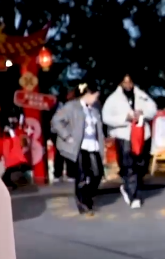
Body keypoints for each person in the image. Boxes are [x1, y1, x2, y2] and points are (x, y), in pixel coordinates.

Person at [102, 75, 157, 209]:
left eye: (130, 81)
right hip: (124, 136)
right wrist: (125, 118)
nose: (128, 84)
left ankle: (128, 187)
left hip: (142, 135)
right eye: (124, 82)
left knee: (142, 165)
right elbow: (106, 117)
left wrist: (142, 113)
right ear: (120, 83)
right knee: (129, 165)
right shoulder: (113, 99)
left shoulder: (141, 95)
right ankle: (134, 196)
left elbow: (153, 110)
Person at [51, 84, 105, 215]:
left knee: (97, 174)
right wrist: (66, 135)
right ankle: (83, 203)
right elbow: (56, 121)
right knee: (82, 176)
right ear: (88, 95)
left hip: (93, 145)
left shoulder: (95, 109)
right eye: (95, 96)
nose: (96, 99)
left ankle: (88, 195)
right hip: (79, 145)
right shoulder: (71, 106)